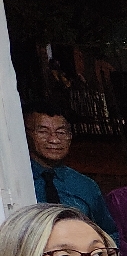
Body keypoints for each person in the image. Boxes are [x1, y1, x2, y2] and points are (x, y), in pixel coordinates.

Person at [23, 101, 117, 240]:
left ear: (70, 136)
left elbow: (108, 234)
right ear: (25, 134)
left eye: (61, 132)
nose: (54, 140)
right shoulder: (15, 182)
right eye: (43, 131)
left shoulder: (85, 186)